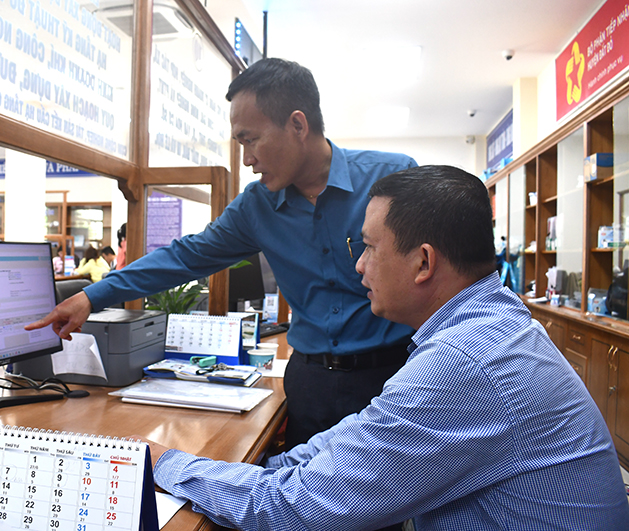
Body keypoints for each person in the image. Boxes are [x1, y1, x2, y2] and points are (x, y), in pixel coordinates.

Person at [143, 166, 629, 531]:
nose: (359, 266)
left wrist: (164, 462)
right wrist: (250, 471)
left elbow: (299, 510)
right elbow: (351, 439)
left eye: (370, 248)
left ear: (423, 263)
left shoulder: (465, 361)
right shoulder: (485, 325)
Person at [26, 58, 417, 451]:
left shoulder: (392, 179)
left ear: (298, 125)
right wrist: (91, 296)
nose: (247, 159)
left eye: (251, 139)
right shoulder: (257, 206)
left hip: (393, 376)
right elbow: (185, 257)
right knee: (302, 488)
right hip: (311, 384)